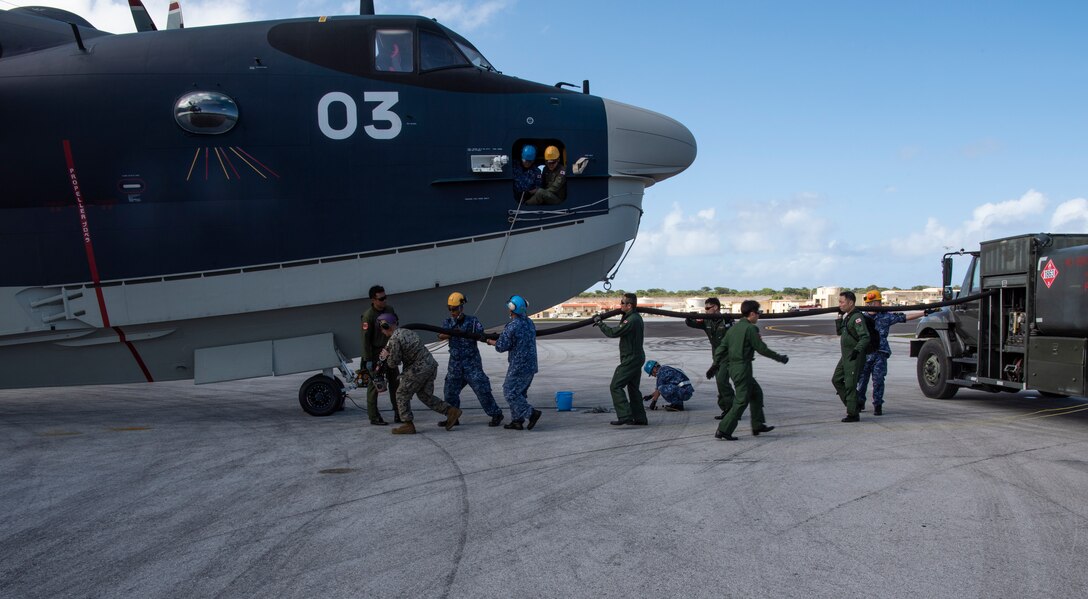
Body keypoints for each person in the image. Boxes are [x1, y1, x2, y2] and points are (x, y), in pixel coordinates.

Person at [377, 313, 463, 435]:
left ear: (385, 326)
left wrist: (386, 355)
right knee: (424, 395)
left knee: (401, 393)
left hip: (419, 369)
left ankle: (408, 424)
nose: (381, 331)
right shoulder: (406, 331)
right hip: (430, 365)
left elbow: (393, 363)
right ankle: (451, 412)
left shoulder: (394, 339)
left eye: (381, 327)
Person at [715, 300, 789, 440]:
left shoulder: (733, 329)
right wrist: (779, 358)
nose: (759, 316)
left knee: (756, 393)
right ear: (752, 313)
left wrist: (715, 364)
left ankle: (757, 424)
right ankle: (724, 429)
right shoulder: (750, 329)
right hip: (743, 368)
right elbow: (761, 349)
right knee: (741, 401)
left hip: (734, 368)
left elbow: (721, 348)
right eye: (758, 313)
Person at [438, 292, 504, 427]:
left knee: (482, 390)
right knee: (450, 392)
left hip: (471, 364)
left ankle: (496, 414)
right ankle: (453, 416)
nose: (452, 312)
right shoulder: (448, 322)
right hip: (455, 364)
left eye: (454, 308)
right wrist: (450, 333)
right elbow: (440, 335)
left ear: (461, 307)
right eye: (449, 308)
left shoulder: (472, 321)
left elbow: (481, 334)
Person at [856, 290, 923, 415]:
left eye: (879, 302)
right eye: (878, 302)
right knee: (862, 380)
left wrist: (924, 312)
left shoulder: (885, 316)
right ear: (870, 303)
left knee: (879, 380)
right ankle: (860, 402)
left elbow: (904, 317)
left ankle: (878, 405)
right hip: (865, 354)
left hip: (880, 353)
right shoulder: (861, 318)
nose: (880, 304)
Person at [486, 295, 543, 430]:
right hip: (531, 365)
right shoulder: (529, 322)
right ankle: (517, 421)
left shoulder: (512, 326)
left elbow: (501, 346)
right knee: (520, 393)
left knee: (509, 392)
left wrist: (489, 341)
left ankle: (531, 413)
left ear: (512, 309)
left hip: (519, 366)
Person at [594, 292, 647, 426]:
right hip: (635, 356)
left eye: (622, 303)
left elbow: (613, 332)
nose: (620, 305)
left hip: (631, 358)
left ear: (629, 305)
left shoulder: (632, 320)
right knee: (633, 388)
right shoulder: (632, 317)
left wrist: (600, 323)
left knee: (616, 386)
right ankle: (640, 418)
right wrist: (623, 313)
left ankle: (624, 415)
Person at [686, 297, 736, 419]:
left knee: (722, 381)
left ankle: (733, 410)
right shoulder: (706, 321)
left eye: (708, 308)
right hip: (716, 357)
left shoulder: (726, 320)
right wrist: (689, 316)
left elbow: (735, 334)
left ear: (715, 307)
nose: (706, 310)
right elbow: (690, 323)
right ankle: (727, 409)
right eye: (705, 308)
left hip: (728, 356)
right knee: (720, 384)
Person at [361, 285, 400, 425]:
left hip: (390, 351)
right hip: (376, 353)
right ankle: (374, 417)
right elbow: (365, 340)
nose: (384, 301)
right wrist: (368, 360)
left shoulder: (389, 310)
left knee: (396, 384)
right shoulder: (368, 316)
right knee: (375, 386)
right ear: (373, 300)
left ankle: (399, 413)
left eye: (385, 297)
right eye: (381, 298)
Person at [833, 291, 870, 423]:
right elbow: (840, 333)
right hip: (845, 356)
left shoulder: (857, 318)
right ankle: (855, 403)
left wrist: (857, 350)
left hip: (854, 356)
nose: (840, 304)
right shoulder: (848, 317)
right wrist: (839, 319)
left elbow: (865, 337)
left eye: (842, 302)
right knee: (836, 379)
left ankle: (853, 413)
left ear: (851, 303)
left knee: (850, 384)